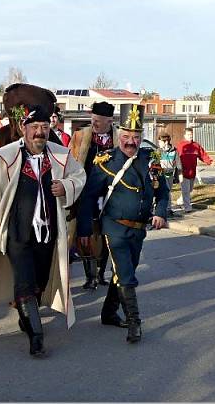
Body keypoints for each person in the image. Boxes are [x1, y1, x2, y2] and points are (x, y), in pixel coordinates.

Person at [0, 104, 85, 357]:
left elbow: (79, 175)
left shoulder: (60, 155)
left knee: (38, 279)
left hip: (48, 232)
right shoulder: (5, 157)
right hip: (17, 232)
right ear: (24, 129)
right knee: (24, 280)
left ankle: (28, 315)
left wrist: (66, 186)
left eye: (45, 128)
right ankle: (36, 337)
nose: (40, 132)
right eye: (35, 127)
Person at [77, 104, 169, 343]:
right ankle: (134, 322)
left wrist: (160, 213)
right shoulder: (105, 162)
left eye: (136, 137)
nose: (131, 142)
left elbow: (163, 193)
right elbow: (88, 197)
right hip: (114, 227)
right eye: (126, 137)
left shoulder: (150, 160)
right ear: (119, 136)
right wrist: (85, 229)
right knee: (125, 273)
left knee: (123, 271)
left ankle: (108, 313)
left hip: (139, 229)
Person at [0, 83, 63, 199]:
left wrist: (65, 187)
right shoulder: (3, 137)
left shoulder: (47, 136)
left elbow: (66, 167)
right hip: (8, 199)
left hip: (45, 198)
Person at [68, 101, 116, 290]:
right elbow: (70, 161)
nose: (94, 123)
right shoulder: (80, 136)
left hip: (109, 192)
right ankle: (90, 276)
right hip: (85, 190)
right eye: (93, 119)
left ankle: (101, 273)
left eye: (98, 120)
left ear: (109, 121)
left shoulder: (117, 137)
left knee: (106, 232)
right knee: (85, 231)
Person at [176, 127, 214, 212]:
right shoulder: (180, 146)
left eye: (191, 135)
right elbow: (176, 158)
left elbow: (202, 155)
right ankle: (187, 207)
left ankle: (181, 200)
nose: (190, 136)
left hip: (192, 172)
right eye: (188, 135)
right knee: (186, 191)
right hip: (183, 172)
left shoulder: (196, 146)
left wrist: (209, 162)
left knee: (189, 190)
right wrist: (178, 170)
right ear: (185, 135)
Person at [158, 131, 180, 217]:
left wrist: (179, 176)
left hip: (170, 174)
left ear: (166, 142)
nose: (159, 144)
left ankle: (167, 209)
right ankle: (166, 209)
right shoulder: (158, 151)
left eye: (160, 142)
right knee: (165, 191)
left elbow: (178, 164)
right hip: (161, 175)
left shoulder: (174, 151)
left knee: (168, 191)